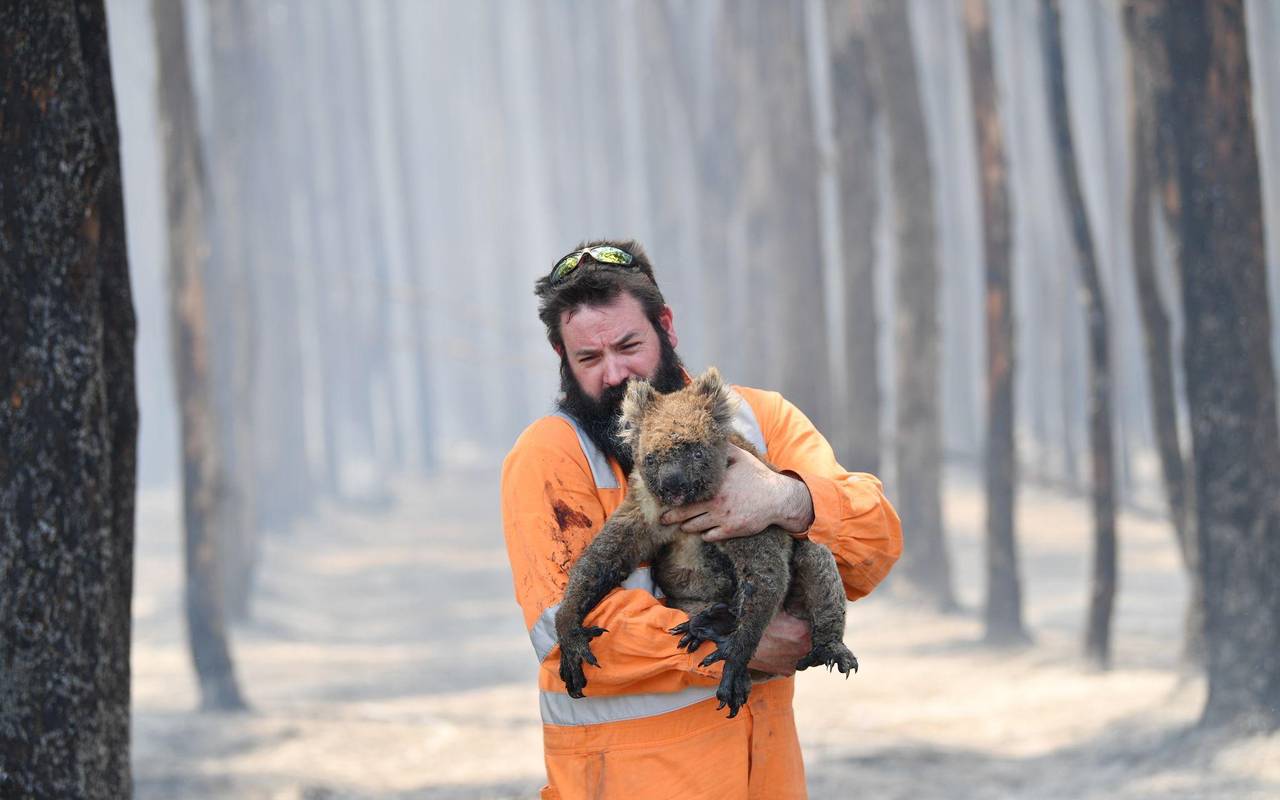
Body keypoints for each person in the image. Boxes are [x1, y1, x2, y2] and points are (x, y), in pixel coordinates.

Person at [500, 239, 902, 799]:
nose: (616, 374)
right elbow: (559, 625)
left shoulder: (759, 419)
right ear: (562, 358)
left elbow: (875, 542)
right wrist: (737, 645)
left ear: (665, 325)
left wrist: (787, 499)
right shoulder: (551, 455)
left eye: (628, 345)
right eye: (588, 359)